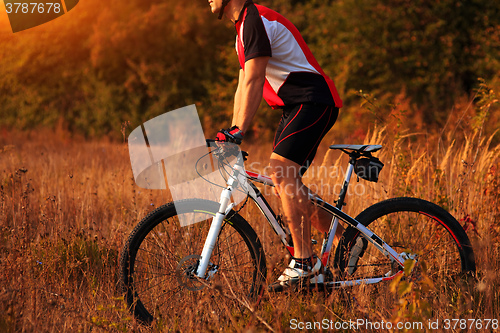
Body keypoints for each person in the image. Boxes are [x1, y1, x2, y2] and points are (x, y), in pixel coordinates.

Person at [209, 0, 344, 291]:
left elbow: (256, 79)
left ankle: (304, 263)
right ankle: (345, 242)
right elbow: (242, 84)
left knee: (282, 172)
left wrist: (239, 130)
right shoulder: (243, 28)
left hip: (313, 100)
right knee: (288, 182)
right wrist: (231, 132)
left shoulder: (255, 20)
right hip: (296, 105)